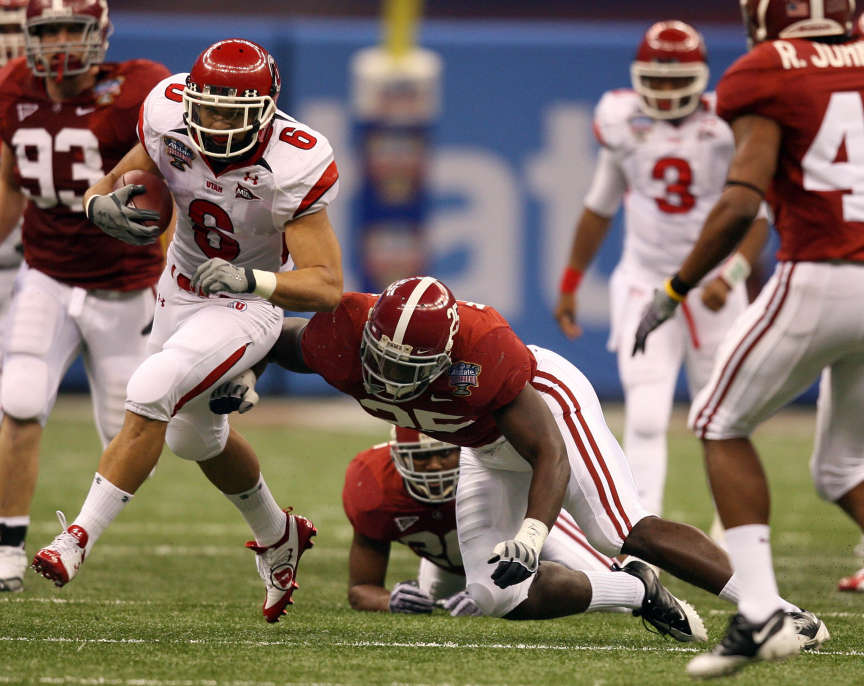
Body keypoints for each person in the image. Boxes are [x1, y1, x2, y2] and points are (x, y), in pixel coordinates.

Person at [211, 276, 826, 649]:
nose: (391, 380)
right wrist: (244, 374)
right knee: (496, 595)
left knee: (621, 527)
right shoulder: (339, 335)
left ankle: (776, 610)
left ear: (447, 356)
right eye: (383, 362)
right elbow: (264, 335)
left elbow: (547, 452)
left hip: (544, 409)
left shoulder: (486, 355)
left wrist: (534, 535)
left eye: (408, 369)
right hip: (482, 444)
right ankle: (631, 588)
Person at [29, 37, 343, 625]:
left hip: (250, 302)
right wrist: (100, 207)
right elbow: (114, 181)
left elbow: (326, 285)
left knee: (151, 386)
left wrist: (253, 279)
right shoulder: (168, 111)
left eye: (233, 113)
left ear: (266, 112)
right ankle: (280, 536)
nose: (216, 123)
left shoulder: (294, 158)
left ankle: (74, 540)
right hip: (180, 284)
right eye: (209, 108)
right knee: (192, 439)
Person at [632, 0, 861, 677]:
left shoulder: (767, 69)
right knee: (841, 467)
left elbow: (739, 201)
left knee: (717, 418)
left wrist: (675, 289)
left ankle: (761, 613)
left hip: (823, 271)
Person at [555, 20, 769, 520]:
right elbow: (599, 205)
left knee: (725, 416)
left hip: (714, 288)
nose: (667, 90)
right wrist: (570, 281)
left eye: (677, 80)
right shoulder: (621, 121)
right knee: (647, 414)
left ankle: (730, 529)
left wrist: (732, 275)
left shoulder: (727, 124)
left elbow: (759, 216)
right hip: (645, 285)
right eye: (657, 79)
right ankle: (641, 524)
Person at [0, 0, 170, 593]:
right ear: (31, 36)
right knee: (19, 399)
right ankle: (7, 551)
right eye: (50, 30)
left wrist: (176, 271)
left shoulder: (137, 90)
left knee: (133, 433)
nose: (63, 41)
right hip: (45, 274)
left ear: (99, 33)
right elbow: (8, 182)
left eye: (74, 27)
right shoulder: (11, 87)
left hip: (124, 287)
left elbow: (173, 180)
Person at [344, 425, 619, 616]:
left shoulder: (483, 467)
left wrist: (490, 589)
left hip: (523, 534)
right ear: (398, 457)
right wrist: (388, 600)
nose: (436, 466)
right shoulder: (376, 485)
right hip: (455, 562)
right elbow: (360, 588)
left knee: (616, 594)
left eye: (444, 453)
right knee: (430, 603)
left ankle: (635, 569)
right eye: (423, 457)